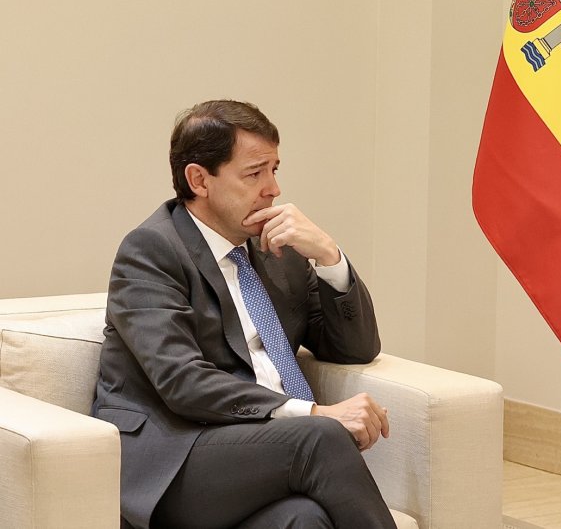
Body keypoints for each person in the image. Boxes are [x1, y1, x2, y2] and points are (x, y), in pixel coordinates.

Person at [93, 100, 397, 529]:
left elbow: (355, 348)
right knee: (320, 438)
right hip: (177, 457)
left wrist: (329, 256)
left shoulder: (278, 251)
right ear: (198, 179)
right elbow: (183, 382)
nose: (272, 188)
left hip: (258, 454)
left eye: (275, 169)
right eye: (254, 173)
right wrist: (311, 415)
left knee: (304, 520)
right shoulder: (151, 250)